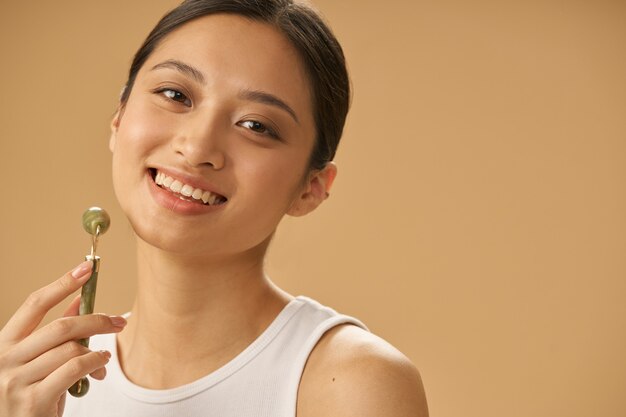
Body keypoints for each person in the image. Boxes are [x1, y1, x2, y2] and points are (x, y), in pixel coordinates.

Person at [0, 0, 428, 415]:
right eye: (175, 94)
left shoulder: (352, 385)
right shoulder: (36, 387)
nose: (198, 147)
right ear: (119, 117)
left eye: (256, 126)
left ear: (311, 188)